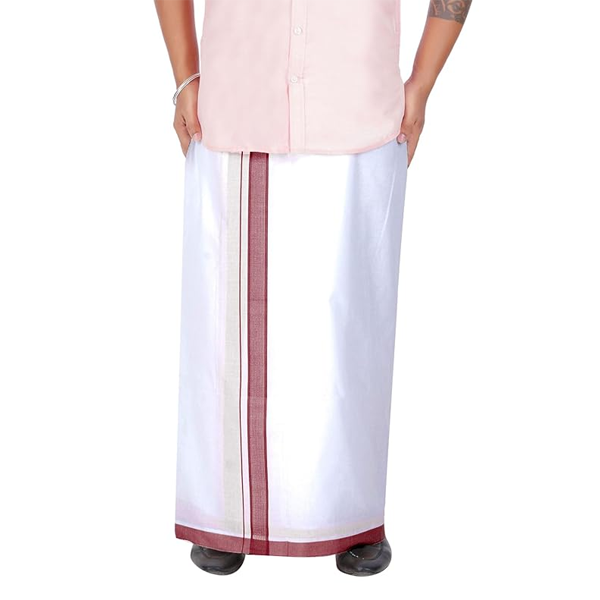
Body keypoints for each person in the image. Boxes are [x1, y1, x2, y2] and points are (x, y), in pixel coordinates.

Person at [154, 0, 472, 577]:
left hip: (357, 109)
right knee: (228, 332)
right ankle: (226, 517)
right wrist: (184, 77)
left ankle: (353, 518)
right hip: (238, 101)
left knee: (349, 340)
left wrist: (422, 83)